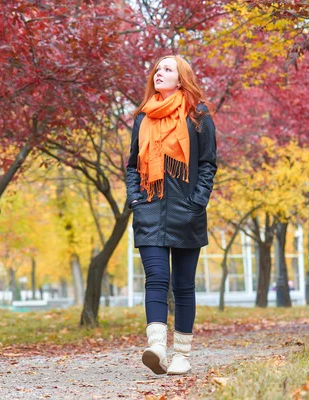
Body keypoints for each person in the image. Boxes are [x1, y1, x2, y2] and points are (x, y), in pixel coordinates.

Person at [126, 55, 217, 375]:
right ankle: (156, 346)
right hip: (150, 207)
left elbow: (207, 164)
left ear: (182, 79)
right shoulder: (143, 118)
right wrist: (135, 198)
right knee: (156, 278)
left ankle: (182, 354)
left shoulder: (198, 116)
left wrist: (198, 203)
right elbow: (132, 167)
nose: (158, 73)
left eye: (167, 69)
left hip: (186, 210)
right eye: (157, 69)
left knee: (183, 285)